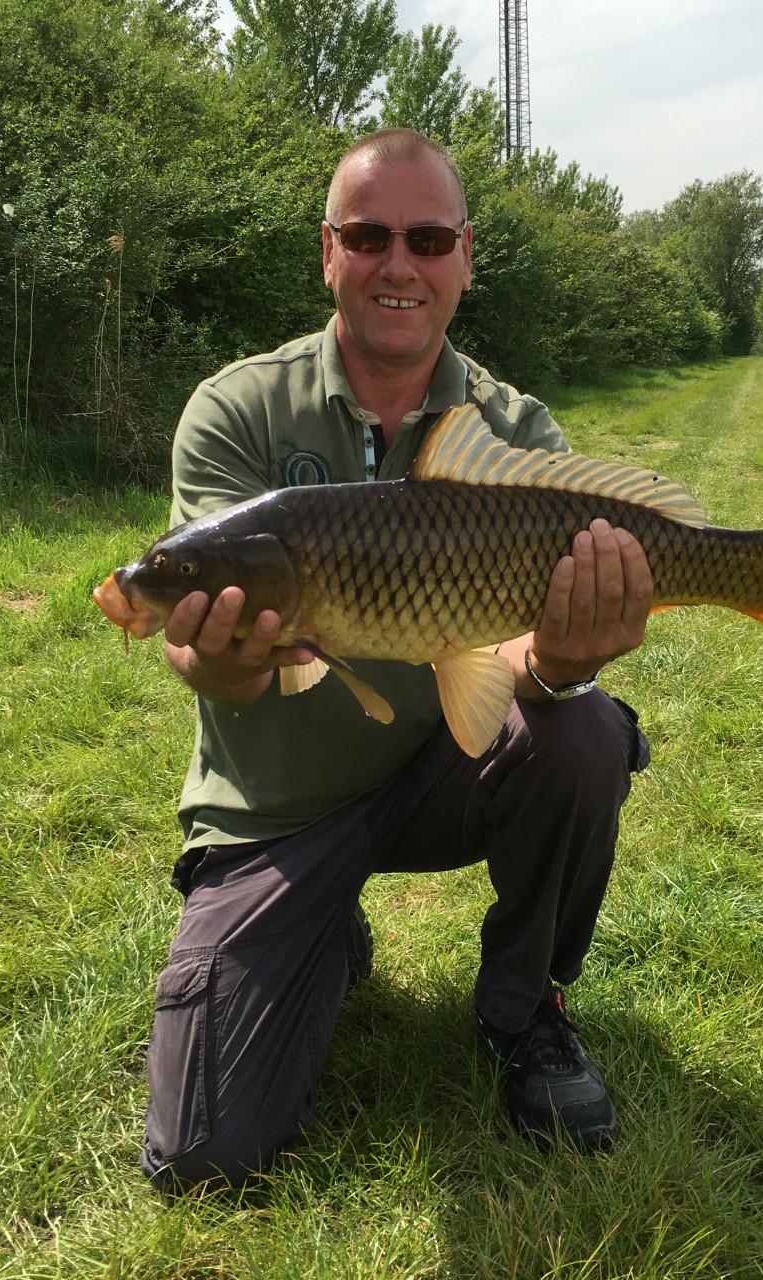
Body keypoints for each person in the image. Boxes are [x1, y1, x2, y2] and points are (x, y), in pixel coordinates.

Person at [141, 129, 655, 1191]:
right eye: (369, 235)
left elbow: (523, 672)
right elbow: (218, 669)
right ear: (328, 250)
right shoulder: (237, 410)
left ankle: (526, 1008)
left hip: (439, 777)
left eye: (427, 239)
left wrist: (562, 659)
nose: (398, 265)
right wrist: (223, 655)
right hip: (277, 811)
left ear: (464, 257)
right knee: (204, 1156)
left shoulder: (511, 429)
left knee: (582, 728)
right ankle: (320, 927)